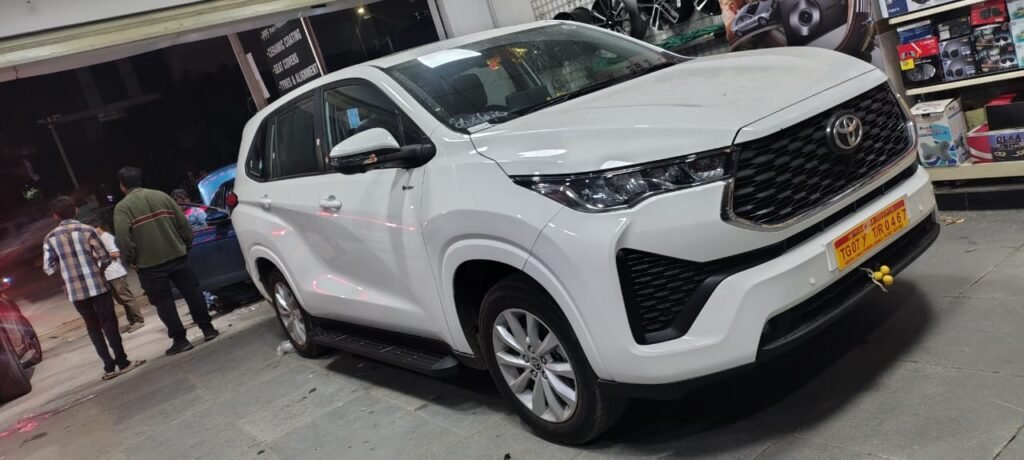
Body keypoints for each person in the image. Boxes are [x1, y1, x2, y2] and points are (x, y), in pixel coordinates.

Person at [113, 167, 219, 356]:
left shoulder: (123, 208)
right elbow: (183, 225)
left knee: (163, 303)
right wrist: (185, 245)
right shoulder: (162, 197)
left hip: (149, 265)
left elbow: (123, 239)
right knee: (193, 293)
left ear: (122, 186)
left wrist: (132, 260)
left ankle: (180, 340)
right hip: (177, 256)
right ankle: (207, 329)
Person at [43, 196, 144, 380]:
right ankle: (122, 362)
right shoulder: (87, 230)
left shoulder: (50, 238)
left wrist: (65, 268)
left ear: (55, 216)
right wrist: (99, 270)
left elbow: (48, 268)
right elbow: (105, 257)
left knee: (93, 327)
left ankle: (108, 367)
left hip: (76, 292)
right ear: (75, 210)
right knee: (109, 323)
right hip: (98, 286)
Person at [82, 217, 146, 333]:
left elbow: (116, 253)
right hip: (107, 274)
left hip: (115, 272)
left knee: (126, 297)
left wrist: (101, 255)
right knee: (120, 300)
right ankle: (132, 320)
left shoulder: (107, 238)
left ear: (96, 227)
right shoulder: (97, 240)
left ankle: (138, 320)